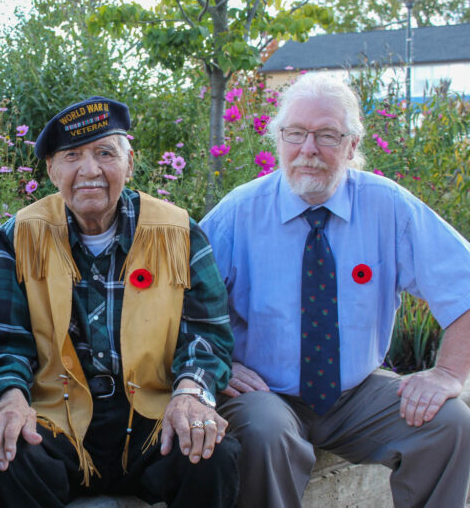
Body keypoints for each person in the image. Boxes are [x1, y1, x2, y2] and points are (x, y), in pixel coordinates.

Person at [200, 73, 470, 507]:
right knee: (264, 432)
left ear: (351, 145)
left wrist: (448, 374)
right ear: (278, 140)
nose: (309, 149)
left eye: (326, 135)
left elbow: (466, 283)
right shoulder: (239, 213)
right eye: (296, 134)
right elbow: (175, 301)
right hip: (264, 393)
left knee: (450, 423)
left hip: (357, 394)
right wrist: (216, 364)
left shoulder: (388, 206)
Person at [0, 96, 240, 508]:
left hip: (152, 416)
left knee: (212, 454)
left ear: (129, 165)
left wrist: (190, 393)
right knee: (9, 456)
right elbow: (3, 338)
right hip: (57, 418)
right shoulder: (19, 235)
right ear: (51, 170)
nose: (89, 170)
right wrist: (10, 400)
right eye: (72, 156)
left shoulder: (177, 230)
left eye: (105, 153)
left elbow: (208, 335)